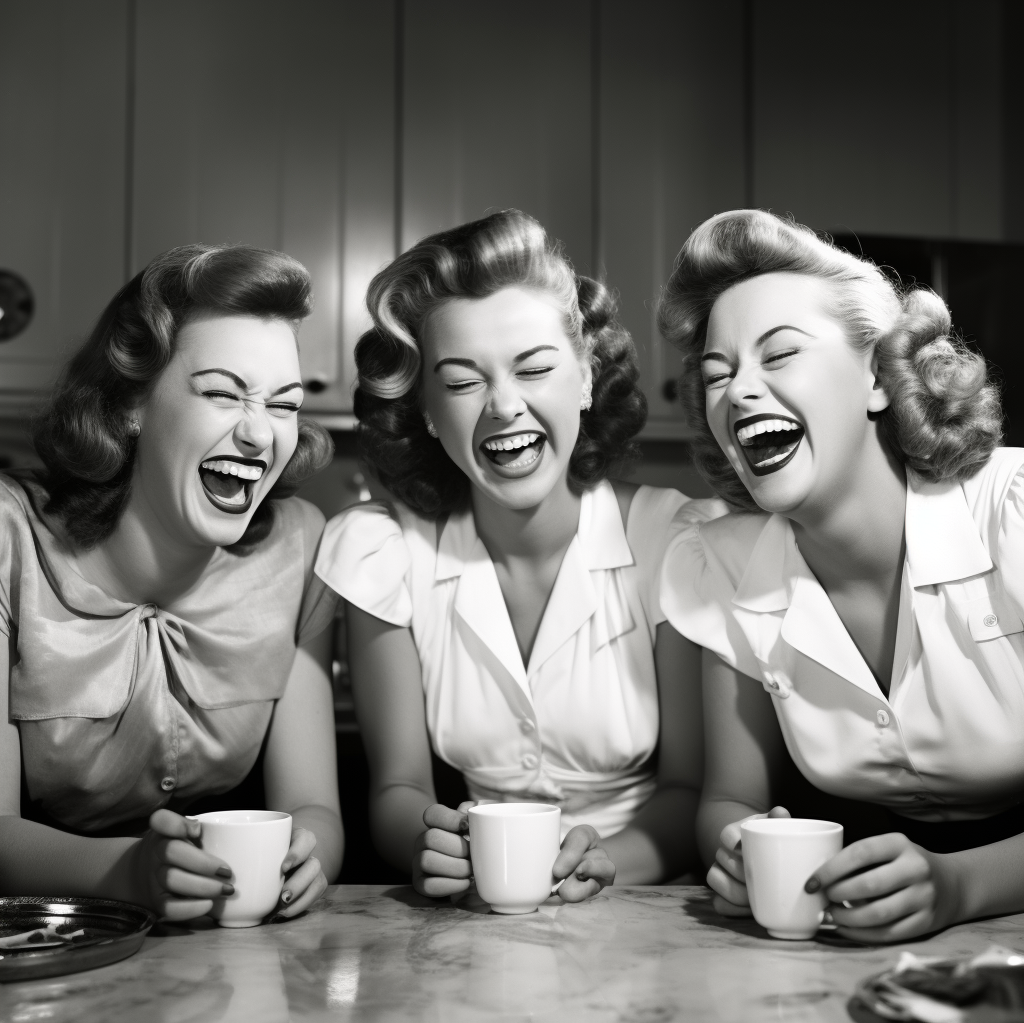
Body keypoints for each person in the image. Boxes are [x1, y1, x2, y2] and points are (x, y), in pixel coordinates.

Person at [314, 210, 717, 901]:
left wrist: (607, 862)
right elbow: (397, 788)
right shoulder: (382, 553)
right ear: (428, 413)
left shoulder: (672, 542)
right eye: (463, 381)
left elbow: (688, 792)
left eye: (534, 368)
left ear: (586, 380)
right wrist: (430, 843)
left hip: (642, 913)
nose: (504, 406)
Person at [658, 208, 1024, 943]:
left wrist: (959, 885)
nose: (737, 392)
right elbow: (729, 797)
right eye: (717, 374)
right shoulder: (717, 564)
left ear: (880, 377)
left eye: (780, 353)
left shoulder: (1012, 515)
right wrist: (735, 852)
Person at [0, 244, 343, 922]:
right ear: (132, 403)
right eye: (221, 392)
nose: (257, 433)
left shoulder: (301, 545)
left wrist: (314, 854)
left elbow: (315, 807)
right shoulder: (9, 541)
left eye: (283, 404)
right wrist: (129, 872)